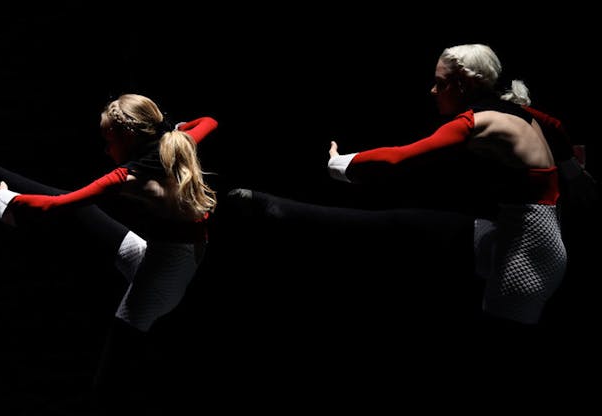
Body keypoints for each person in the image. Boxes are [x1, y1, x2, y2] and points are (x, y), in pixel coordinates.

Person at [227, 44, 580, 328]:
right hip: (516, 238)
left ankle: (272, 208)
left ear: (464, 84)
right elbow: (559, 128)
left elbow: (401, 158)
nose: (432, 90)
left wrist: (339, 162)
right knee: (399, 224)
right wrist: (579, 178)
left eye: (440, 83)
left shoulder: (482, 122)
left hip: (525, 262)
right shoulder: (521, 113)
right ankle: (271, 207)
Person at [0, 93, 218, 409]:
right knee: (86, 213)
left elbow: (55, 207)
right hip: (164, 259)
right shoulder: (179, 142)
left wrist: (5, 201)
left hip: (161, 283)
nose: (106, 150)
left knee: (111, 373)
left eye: (109, 140)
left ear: (130, 137)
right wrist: (175, 128)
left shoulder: (129, 177)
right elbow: (210, 121)